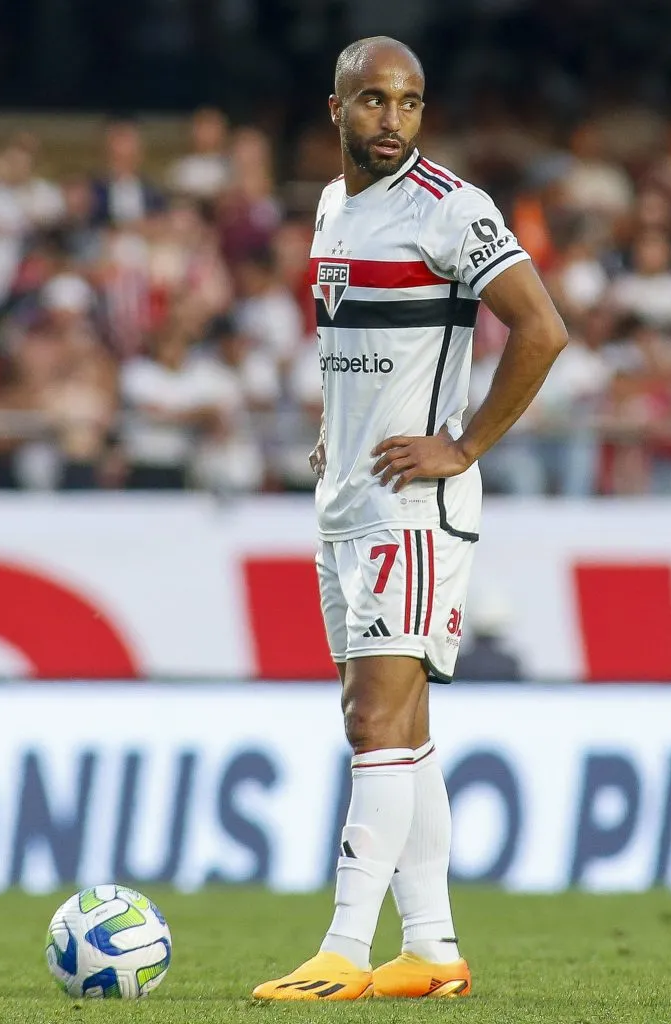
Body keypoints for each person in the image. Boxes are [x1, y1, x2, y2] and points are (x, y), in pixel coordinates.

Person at [252, 36, 567, 1002]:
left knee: (372, 718)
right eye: (375, 100)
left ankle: (345, 949)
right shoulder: (334, 208)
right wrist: (334, 433)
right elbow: (355, 351)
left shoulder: (450, 208)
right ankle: (431, 950)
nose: (393, 118)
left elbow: (543, 329)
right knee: (405, 725)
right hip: (346, 498)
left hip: (413, 510)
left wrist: (463, 447)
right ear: (337, 107)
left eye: (411, 101)